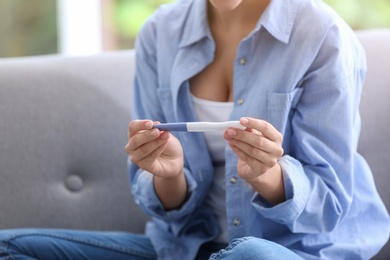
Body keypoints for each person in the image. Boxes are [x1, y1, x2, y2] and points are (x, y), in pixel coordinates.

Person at [0, 0, 389, 259]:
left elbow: (331, 208)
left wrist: (270, 176)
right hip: (188, 247)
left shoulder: (322, 36)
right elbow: (167, 209)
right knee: (10, 247)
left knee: (250, 255)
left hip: (293, 250)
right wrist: (169, 178)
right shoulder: (160, 33)